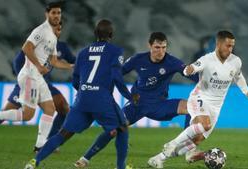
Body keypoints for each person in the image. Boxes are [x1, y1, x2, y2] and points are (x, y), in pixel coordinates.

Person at [74, 31, 199, 168]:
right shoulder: (138, 59)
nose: (161, 51)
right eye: (157, 47)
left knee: (191, 107)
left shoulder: (172, 62)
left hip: (159, 105)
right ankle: (85, 159)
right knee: (114, 129)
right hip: (137, 104)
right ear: (150, 46)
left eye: (164, 47)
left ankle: (189, 150)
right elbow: (118, 73)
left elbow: (190, 75)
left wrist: (208, 82)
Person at [24, 19, 133, 169]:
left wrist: (85, 91)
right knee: (122, 128)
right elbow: (117, 76)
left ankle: (34, 162)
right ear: (111, 34)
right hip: (102, 99)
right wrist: (129, 96)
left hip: (82, 99)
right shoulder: (116, 51)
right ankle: (120, 167)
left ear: (95, 34)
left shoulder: (83, 52)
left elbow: (75, 79)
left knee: (63, 133)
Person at [147, 30, 248, 168]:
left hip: (216, 106)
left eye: (232, 46)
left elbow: (238, 76)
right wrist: (188, 70)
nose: (230, 49)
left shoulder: (236, 61)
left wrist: (246, 91)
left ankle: (159, 158)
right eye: (227, 45)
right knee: (204, 125)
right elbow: (193, 67)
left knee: (196, 140)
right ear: (218, 44)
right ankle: (172, 143)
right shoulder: (207, 59)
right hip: (200, 98)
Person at [0, 2, 72, 151]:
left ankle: (41, 146)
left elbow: (54, 61)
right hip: (30, 77)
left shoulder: (53, 39)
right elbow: (25, 48)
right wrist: (37, 65)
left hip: (39, 79)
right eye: (54, 13)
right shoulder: (41, 30)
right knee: (27, 115)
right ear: (47, 14)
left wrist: (71, 66)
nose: (57, 18)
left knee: (50, 108)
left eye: (59, 14)